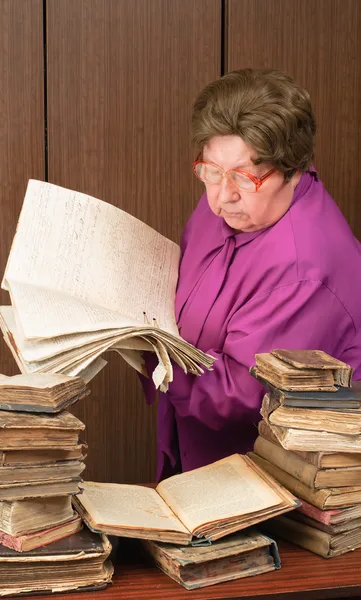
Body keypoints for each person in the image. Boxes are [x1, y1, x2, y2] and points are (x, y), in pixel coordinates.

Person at [142, 68, 361, 482]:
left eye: (244, 176)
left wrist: (146, 351)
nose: (224, 195)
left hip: (268, 480)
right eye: (211, 170)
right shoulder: (234, 205)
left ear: (292, 170)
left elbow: (242, 396)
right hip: (197, 450)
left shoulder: (305, 268)